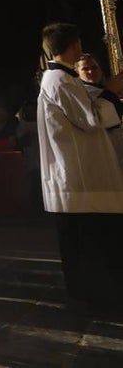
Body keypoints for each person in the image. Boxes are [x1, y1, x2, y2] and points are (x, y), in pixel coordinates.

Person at [37, 23, 123, 313]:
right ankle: (96, 297)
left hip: (82, 176)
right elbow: (90, 119)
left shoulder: (61, 78)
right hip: (80, 177)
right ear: (72, 45)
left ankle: (96, 293)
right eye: (78, 43)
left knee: (89, 240)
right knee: (89, 242)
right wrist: (109, 91)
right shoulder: (60, 80)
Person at [76, 52, 123, 167]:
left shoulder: (102, 88)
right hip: (102, 148)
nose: (91, 72)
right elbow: (98, 116)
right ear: (77, 72)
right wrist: (110, 93)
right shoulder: (81, 93)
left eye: (94, 67)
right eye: (85, 69)